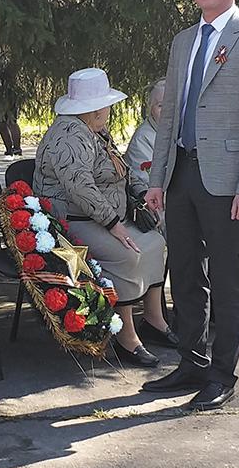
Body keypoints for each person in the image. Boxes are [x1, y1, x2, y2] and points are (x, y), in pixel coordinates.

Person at [143, 0, 239, 411]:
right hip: (181, 173)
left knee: (226, 281)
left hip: (227, 183)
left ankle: (222, 374)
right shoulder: (183, 41)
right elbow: (171, 117)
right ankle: (191, 363)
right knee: (183, 275)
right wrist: (158, 178)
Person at [35, 68, 170, 367]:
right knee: (127, 254)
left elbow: (119, 171)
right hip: (71, 220)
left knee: (153, 242)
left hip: (101, 215)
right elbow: (80, 187)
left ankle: (154, 319)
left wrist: (140, 193)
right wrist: (114, 224)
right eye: (106, 104)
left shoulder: (94, 130)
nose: (110, 109)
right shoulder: (69, 135)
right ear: (93, 107)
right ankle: (126, 338)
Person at [124, 78, 168, 185]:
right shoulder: (142, 138)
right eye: (160, 105)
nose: (167, 110)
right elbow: (148, 182)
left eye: (171, 104)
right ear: (151, 108)